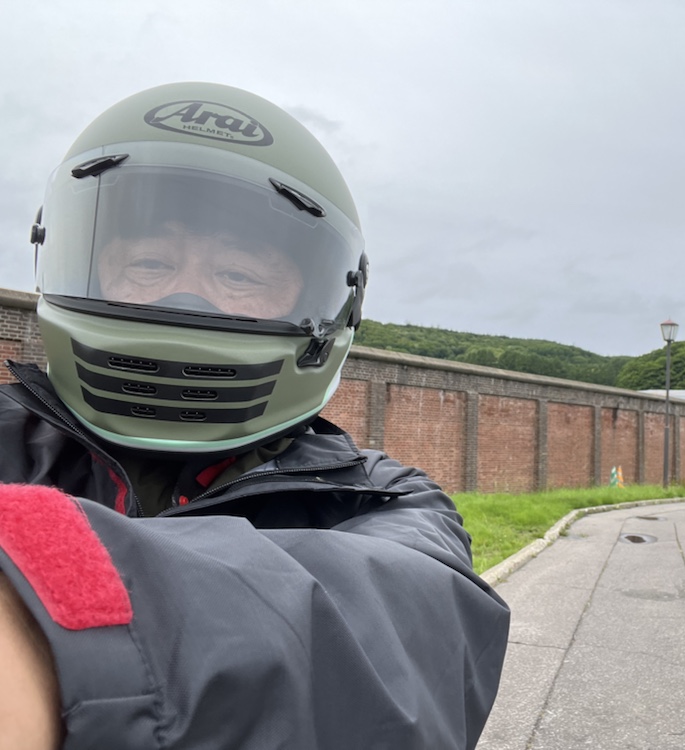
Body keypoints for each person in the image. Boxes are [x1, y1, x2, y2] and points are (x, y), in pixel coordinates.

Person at [0, 82, 509, 749]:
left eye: (237, 276)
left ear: (324, 308)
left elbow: (405, 633)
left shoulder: (380, 500)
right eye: (149, 263)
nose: (185, 300)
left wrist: (47, 639)